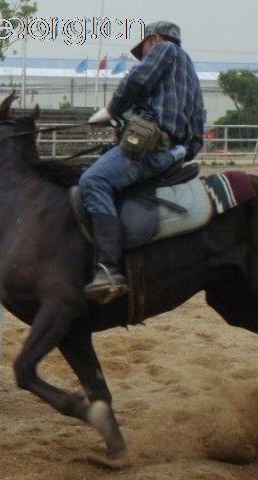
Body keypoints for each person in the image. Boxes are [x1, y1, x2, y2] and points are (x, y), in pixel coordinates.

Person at [79, 21, 205, 303]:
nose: (145, 54)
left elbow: (137, 79)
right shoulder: (193, 79)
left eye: (144, 48)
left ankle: (108, 268)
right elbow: (197, 138)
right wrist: (174, 154)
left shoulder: (165, 49)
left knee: (93, 181)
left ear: (154, 39)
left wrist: (111, 109)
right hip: (168, 156)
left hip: (144, 149)